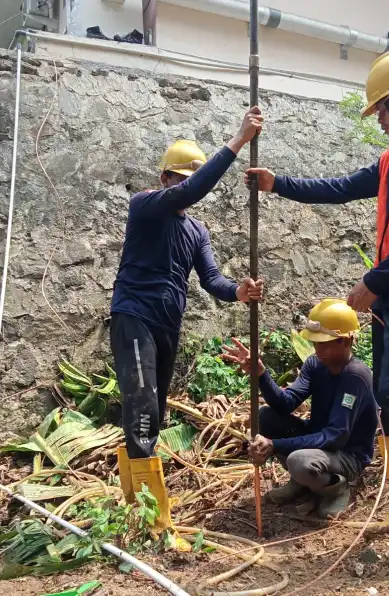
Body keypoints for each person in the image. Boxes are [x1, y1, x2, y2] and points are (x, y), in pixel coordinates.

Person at [245, 49, 389, 576]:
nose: (382, 121)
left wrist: (374, 282)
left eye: (384, 110)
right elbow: (341, 187)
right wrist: (277, 183)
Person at [111, 108, 265, 546]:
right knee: (140, 410)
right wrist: (237, 141)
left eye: (185, 180)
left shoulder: (196, 231)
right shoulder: (145, 205)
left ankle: (136, 507)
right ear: (164, 179)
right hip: (134, 316)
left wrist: (240, 290)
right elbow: (198, 187)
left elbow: (213, 280)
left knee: (154, 416)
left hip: (166, 325)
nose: (182, 186)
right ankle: (153, 526)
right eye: (177, 179)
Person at [222, 299, 377, 518]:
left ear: (344, 341)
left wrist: (275, 445)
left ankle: (336, 488)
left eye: (324, 343)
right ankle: (302, 481)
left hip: (347, 455)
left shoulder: (355, 377)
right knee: (266, 417)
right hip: (320, 442)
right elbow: (286, 403)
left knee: (300, 461)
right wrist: (261, 374)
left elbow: (335, 436)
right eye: (315, 342)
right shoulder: (315, 365)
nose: (316, 348)